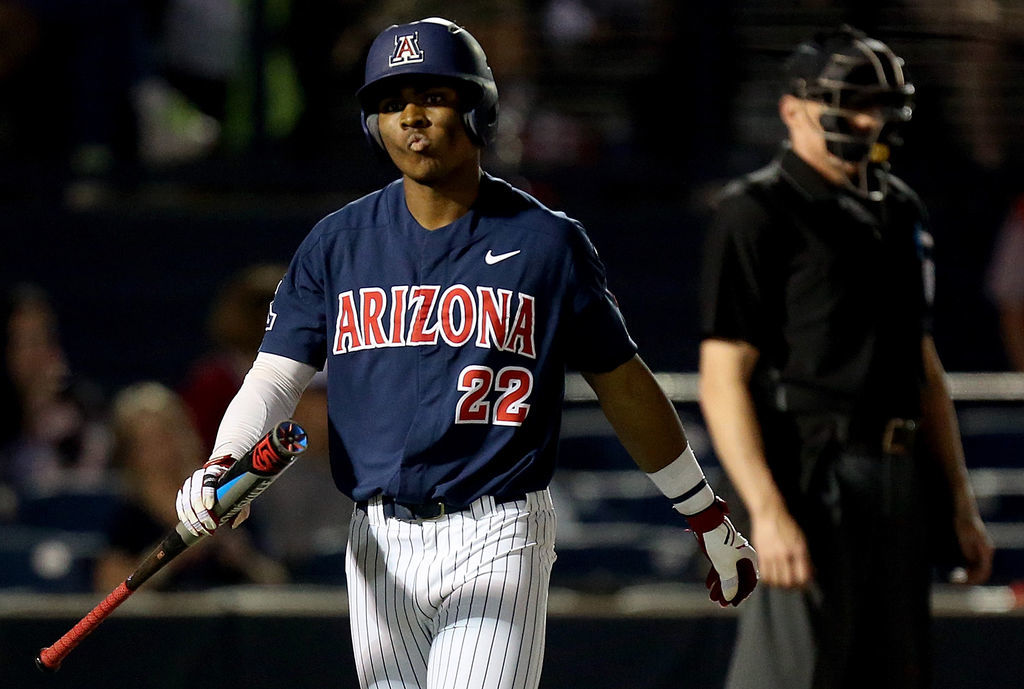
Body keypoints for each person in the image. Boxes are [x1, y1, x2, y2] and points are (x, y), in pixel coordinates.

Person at [171, 16, 757, 689]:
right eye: (390, 103)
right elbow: (273, 376)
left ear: (477, 108)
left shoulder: (546, 242)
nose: (411, 117)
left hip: (497, 526)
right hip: (378, 539)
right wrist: (223, 458)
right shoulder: (337, 242)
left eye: (432, 95)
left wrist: (705, 515)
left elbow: (624, 385)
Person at [697, 26, 994, 689]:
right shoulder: (757, 211)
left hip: (898, 472)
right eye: (850, 101)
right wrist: (766, 509)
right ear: (793, 108)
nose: (867, 119)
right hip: (809, 471)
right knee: (791, 673)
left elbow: (923, 365)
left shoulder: (900, 209)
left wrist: (959, 501)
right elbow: (723, 380)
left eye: (879, 104)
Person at [96, 381, 288, 593]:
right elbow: (109, 588)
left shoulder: (226, 493)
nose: (164, 451)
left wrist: (242, 556)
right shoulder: (128, 514)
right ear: (130, 454)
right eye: (148, 443)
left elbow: (278, 580)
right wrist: (174, 554)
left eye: (168, 434)